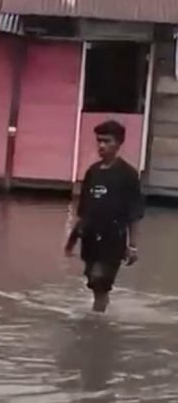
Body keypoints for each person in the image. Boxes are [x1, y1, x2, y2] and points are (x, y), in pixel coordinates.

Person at [65, 120, 144, 313]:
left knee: (100, 280)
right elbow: (83, 212)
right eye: (99, 141)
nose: (101, 145)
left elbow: (134, 213)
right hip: (91, 238)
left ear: (118, 144)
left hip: (113, 238)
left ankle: (97, 322)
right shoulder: (92, 172)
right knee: (93, 281)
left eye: (106, 141)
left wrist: (132, 246)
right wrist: (71, 241)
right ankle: (100, 311)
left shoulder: (128, 175)